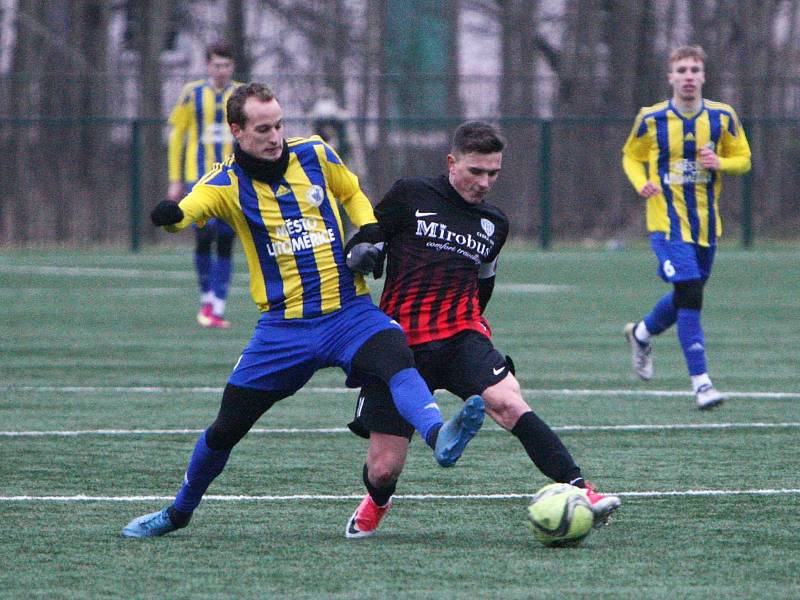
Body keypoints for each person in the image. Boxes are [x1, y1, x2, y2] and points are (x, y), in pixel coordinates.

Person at [121, 83, 485, 538]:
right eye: (262, 128)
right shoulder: (226, 183)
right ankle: (178, 512)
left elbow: (351, 192)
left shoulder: (315, 153)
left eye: (278, 125)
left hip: (348, 312)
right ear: (237, 130)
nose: (274, 136)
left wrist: (369, 233)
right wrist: (170, 216)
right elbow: (189, 211)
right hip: (284, 329)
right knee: (227, 426)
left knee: (394, 350)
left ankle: (439, 435)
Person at [343, 121, 621, 539]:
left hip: (460, 336)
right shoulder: (410, 195)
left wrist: (475, 331)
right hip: (398, 343)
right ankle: (378, 501)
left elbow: (484, 281)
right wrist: (361, 254)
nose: (485, 182)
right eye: (476, 171)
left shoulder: (495, 223)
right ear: (452, 163)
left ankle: (583, 490)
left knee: (507, 401)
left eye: (493, 173)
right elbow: (367, 239)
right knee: (383, 469)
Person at [621, 45, 751, 410]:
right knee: (691, 292)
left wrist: (720, 162)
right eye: (682, 70)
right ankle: (702, 383)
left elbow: (744, 159)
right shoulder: (651, 119)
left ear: (704, 76)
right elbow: (630, 155)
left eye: (695, 69)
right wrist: (639, 183)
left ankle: (641, 333)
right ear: (671, 77)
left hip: (707, 227)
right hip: (666, 224)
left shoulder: (723, 117)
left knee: (686, 295)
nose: (689, 76)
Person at [167, 41, 242, 328]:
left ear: (232, 66)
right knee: (203, 236)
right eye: (216, 65)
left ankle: (218, 307)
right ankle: (207, 298)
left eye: (226, 65)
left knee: (225, 240)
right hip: (198, 178)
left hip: (233, 180)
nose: (221, 70)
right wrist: (175, 178)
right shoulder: (192, 94)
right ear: (208, 66)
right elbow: (177, 137)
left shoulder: (242, 94)